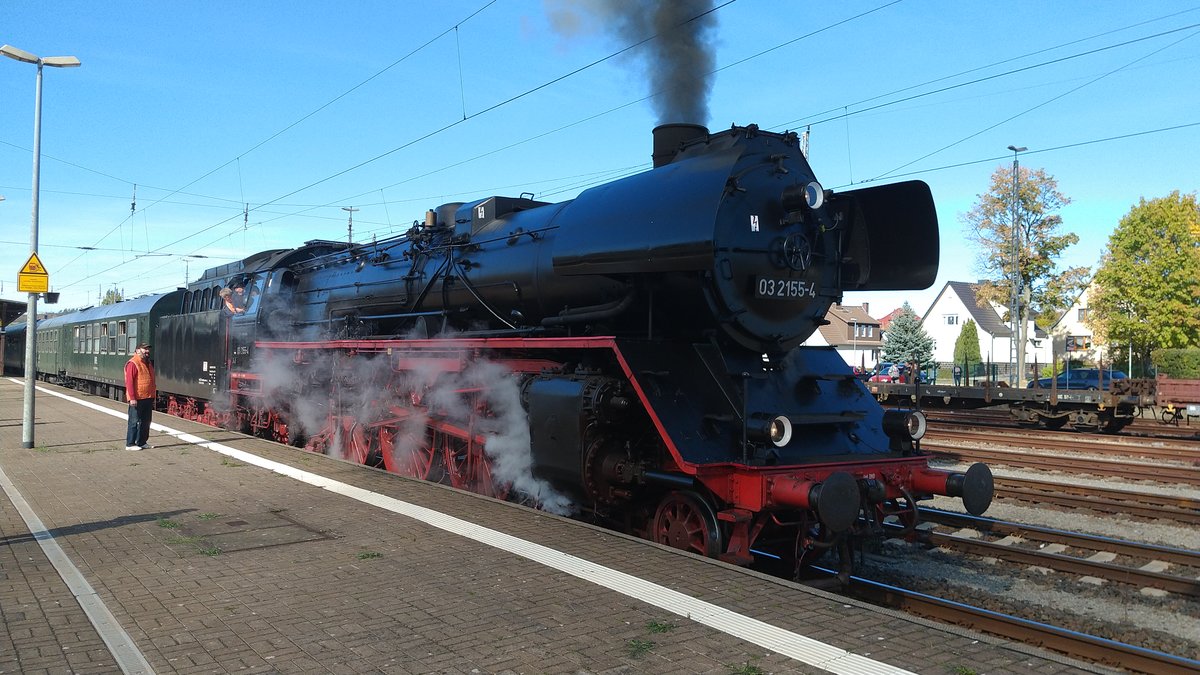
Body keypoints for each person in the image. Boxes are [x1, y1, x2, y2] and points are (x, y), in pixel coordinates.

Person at [124, 343, 156, 451]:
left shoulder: (148, 363)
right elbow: (129, 382)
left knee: (146, 421)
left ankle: (142, 442)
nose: (147, 351)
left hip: (148, 397)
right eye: (144, 349)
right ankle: (130, 443)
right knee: (134, 421)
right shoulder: (133, 363)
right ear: (138, 350)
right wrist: (132, 397)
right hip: (137, 398)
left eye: (148, 349)